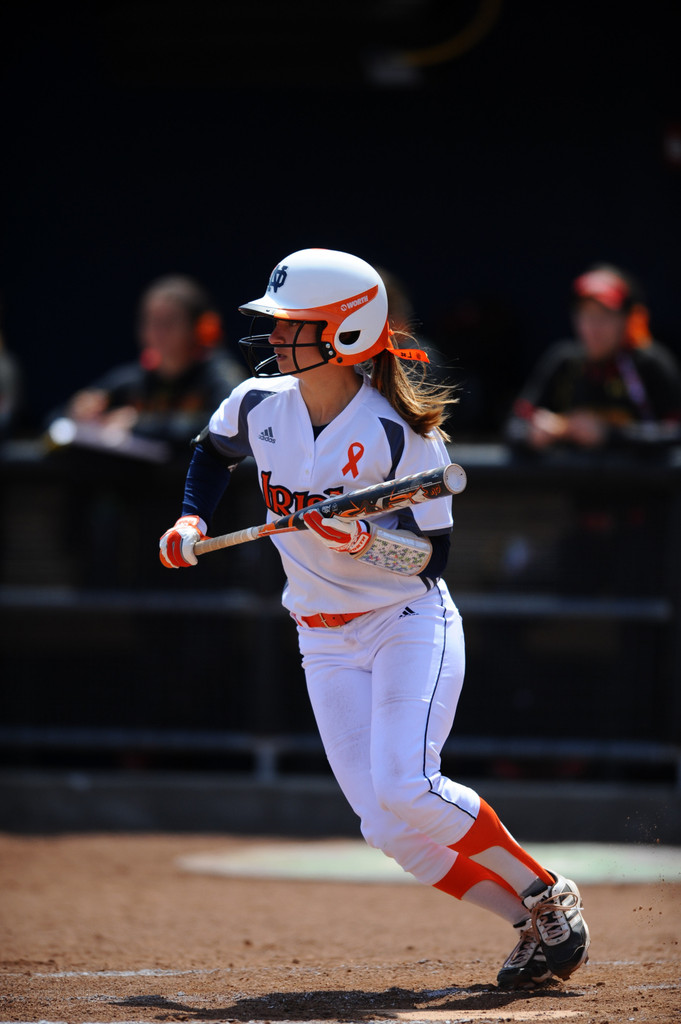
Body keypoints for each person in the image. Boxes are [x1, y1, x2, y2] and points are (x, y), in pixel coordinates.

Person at [159, 247, 590, 990]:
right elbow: (210, 453)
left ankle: (546, 889)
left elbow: (430, 559)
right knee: (385, 827)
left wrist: (361, 537)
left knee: (405, 786)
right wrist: (191, 520)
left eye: (297, 325)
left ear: (347, 333)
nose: (276, 337)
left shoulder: (403, 432)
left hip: (404, 624)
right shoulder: (259, 401)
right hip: (320, 637)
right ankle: (525, 922)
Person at [48, 275, 246, 456]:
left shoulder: (219, 373)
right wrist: (76, 412)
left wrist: (139, 425)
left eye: (168, 323)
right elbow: (54, 420)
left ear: (200, 329)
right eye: (150, 322)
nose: (156, 333)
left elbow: (232, 425)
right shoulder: (131, 379)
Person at [505, 264, 681, 450]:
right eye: (585, 315)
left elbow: (675, 432)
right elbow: (513, 426)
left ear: (627, 319)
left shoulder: (650, 364)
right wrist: (535, 434)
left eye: (604, 316)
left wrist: (610, 434)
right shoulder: (563, 362)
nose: (592, 328)